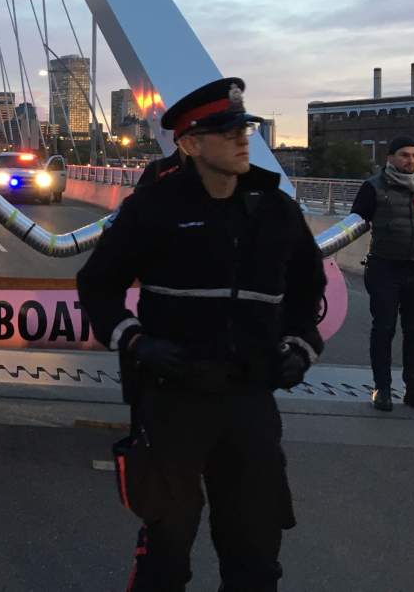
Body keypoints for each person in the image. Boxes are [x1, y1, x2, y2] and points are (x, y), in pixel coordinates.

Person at [77, 78, 325, 592]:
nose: (243, 139)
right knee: (165, 554)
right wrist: (137, 342)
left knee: (256, 555)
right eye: (227, 129)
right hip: (173, 401)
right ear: (190, 144)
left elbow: (308, 289)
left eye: (246, 128)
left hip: (251, 402)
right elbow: (98, 285)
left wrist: (301, 345)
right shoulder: (153, 207)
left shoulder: (276, 210)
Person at [350, 136, 414, 414]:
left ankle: (413, 391)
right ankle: (383, 389)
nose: (410, 160)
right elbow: (353, 224)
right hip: (384, 269)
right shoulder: (373, 188)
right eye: (404, 155)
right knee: (384, 329)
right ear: (390, 158)